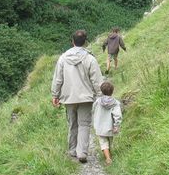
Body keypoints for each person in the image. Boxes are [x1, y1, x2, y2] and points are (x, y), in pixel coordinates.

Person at [51, 30, 103, 163]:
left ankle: (72, 150)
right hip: (85, 98)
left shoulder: (63, 58)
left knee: (72, 123)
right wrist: (100, 95)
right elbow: (97, 80)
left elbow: (58, 79)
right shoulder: (90, 58)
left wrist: (55, 95)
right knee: (84, 124)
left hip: (68, 97)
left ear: (72, 41)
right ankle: (82, 153)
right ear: (85, 42)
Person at [92, 80, 122, 165]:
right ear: (112, 91)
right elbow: (117, 115)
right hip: (110, 126)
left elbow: (93, 110)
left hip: (100, 126)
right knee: (109, 141)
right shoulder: (115, 103)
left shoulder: (98, 101)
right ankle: (109, 156)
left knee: (103, 142)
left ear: (101, 91)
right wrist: (116, 125)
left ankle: (108, 158)